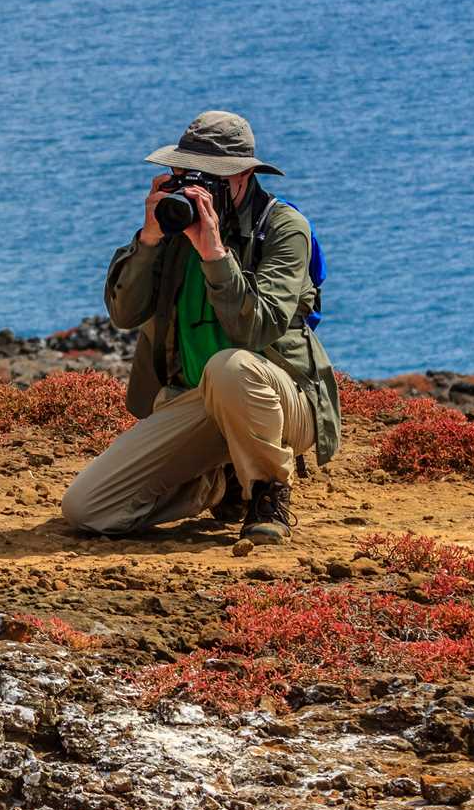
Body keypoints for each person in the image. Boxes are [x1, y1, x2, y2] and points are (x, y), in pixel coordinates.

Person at [61, 111, 340, 545]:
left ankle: (267, 495)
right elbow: (124, 314)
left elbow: (257, 330)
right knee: (87, 510)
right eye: (184, 174)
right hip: (193, 401)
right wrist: (149, 240)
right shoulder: (171, 230)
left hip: (282, 402)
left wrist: (213, 253)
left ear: (244, 174)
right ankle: (218, 479)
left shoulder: (283, 228)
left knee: (231, 367)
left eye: (210, 178)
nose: (196, 189)